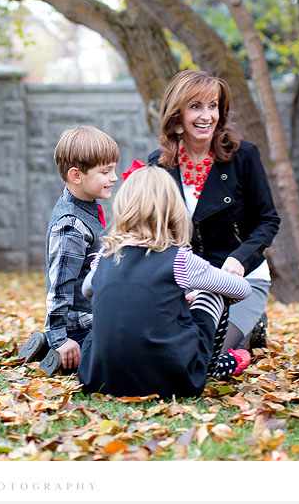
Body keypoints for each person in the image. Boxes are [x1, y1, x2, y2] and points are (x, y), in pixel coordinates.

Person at [77, 166, 252, 398]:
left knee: (107, 312)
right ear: (173, 209)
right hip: (174, 382)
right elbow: (242, 289)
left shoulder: (103, 258)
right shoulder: (179, 259)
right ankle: (210, 367)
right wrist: (197, 294)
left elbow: (87, 289)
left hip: (99, 380)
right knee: (215, 293)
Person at [148, 70, 280, 376]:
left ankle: (246, 333)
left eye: (213, 106)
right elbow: (157, 231)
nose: (207, 115)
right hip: (187, 280)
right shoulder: (160, 163)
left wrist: (241, 259)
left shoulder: (243, 155)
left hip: (239, 280)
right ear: (176, 113)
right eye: (195, 106)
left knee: (200, 362)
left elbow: (267, 220)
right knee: (165, 354)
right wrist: (178, 285)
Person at [18, 125, 119, 374]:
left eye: (113, 169)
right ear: (76, 176)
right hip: (80, 326)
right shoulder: (71, 226)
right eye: (106, 172)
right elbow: (60, 285)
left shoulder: (87, 206)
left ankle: (48, 347)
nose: (114, 177)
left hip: (92, 316)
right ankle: (59, 352)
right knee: (115, 362)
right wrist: (60, 338)